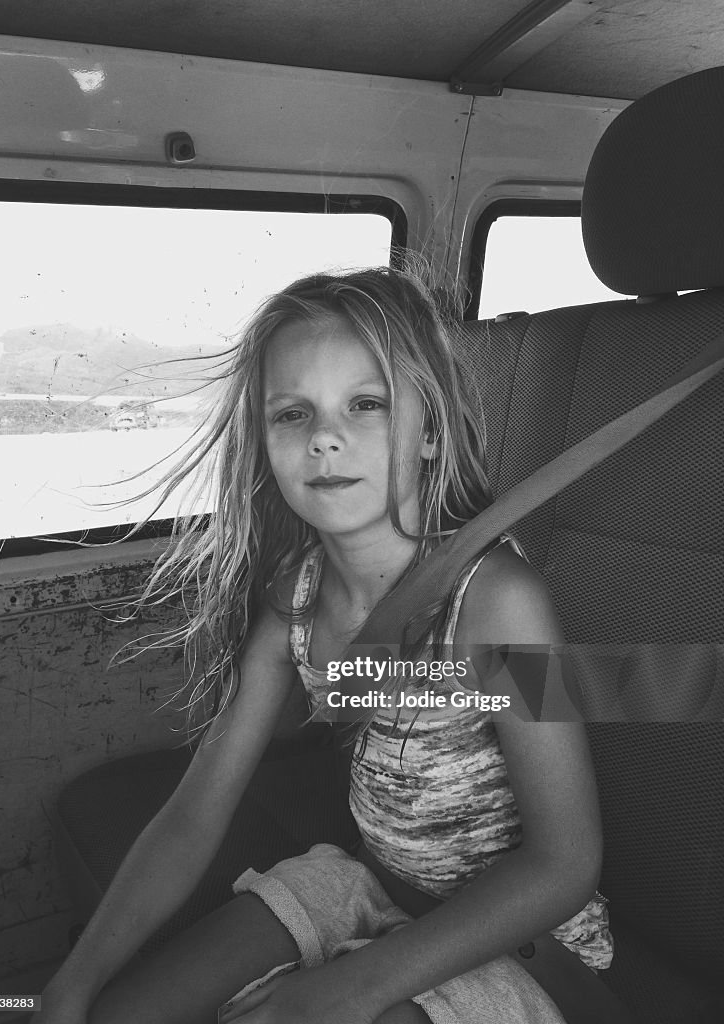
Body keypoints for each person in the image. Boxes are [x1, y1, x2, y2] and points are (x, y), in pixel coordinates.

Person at [36, 267, 612, 1024]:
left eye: (366, 405)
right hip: (370, 884)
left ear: (430, 433)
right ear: (265, 445)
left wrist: (350, 985)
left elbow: (564, 864)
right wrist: (74, 984)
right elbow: (197, 811)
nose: (326, 438)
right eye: (292, 414)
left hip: (522, 936)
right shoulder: (295, 601)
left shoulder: (498, 603)